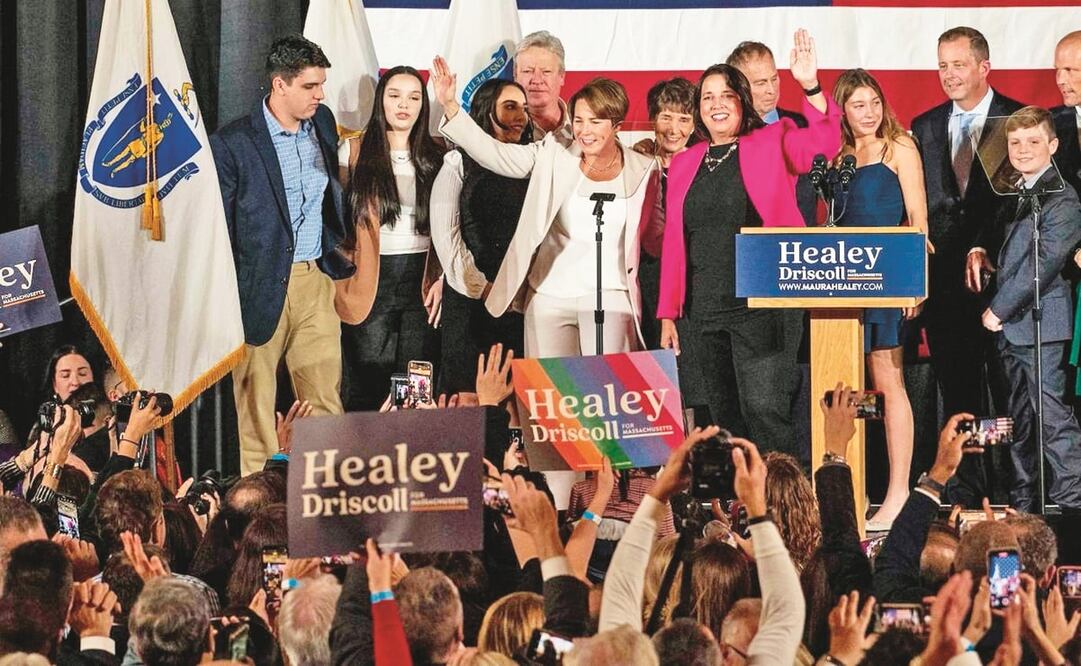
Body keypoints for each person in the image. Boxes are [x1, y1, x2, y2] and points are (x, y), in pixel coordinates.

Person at [657, 30, 841, 458]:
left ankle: (785, 506)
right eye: (707, 97)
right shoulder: (685, 161)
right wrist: (669, 313)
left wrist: (810, 85)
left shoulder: (772, 141)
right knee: (726, 419)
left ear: (743, 102)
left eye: (727, 96)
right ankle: (745, 511)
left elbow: (825, 144)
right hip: (706, 309)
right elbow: (674, 240)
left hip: (762, 303)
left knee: (764, 411)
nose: (717, 104)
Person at [431, 61, 663, 357]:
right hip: (549, 296)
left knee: (606, 396)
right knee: (552, 397)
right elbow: (497, 155)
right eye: (578, 120)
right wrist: (451, 106)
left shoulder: (644, 170)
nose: (584, 131)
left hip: (612, 299)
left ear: (616, 125)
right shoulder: (555, 150)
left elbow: (656, 238)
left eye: (595, 122)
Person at [210, 34, 353, 475]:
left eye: (321, 84)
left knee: (325, 403)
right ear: (280, 85)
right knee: (256, 412)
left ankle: (328, 504)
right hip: (257, 288)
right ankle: (258, 517)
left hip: (315, 281)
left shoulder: (323, 123)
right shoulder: (234, 142)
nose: (321, 95)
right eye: (311, 86)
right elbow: (222, 228)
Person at [910, 26, 1023, 507]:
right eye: (942, 65)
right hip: (943, 285)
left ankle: (1016, 488)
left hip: (1003, 280)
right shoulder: (925, 124)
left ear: (984, 67)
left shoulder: (1015, 118)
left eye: (958, 64)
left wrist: (985, 247)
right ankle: (966, 487)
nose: (949, 74)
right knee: (956, 389)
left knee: (1009, 391)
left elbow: (1015, 205)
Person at [832, 68, 930, 529]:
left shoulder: (901, 146)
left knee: (889, 384)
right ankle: (852, 489)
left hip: (887, 277)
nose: (869, 112)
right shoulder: (840, 157)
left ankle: (897, 493)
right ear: (844, 111)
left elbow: (918, 220)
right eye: (858, 105)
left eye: (874, 102)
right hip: (841, 284)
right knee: (850, 391)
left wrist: (915, 281)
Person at [982, 106, 1081, 512]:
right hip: (1015, 329)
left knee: (1053, 420)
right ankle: (1024, 505)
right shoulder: (1016, 192)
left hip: (1041, 324)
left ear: (1053, 146)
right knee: (1021, 423)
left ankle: (1072, 504)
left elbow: (1044, 261)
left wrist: (998, 310)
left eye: (1033, 142)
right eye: (1015, 142)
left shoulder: (1062, 197)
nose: (1023, 150)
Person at [338, 65, 445, 411]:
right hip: (371, 277)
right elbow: (336, 221)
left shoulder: (439, 154)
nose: (404, 105)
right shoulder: (353, 151)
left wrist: (443, 276)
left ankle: (414, 457)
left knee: (417, 381)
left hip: (423, 279)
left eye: (414, 97)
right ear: (381, 100)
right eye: (395, 96)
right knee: (370, 380)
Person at [431, 78, 531, 395]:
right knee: (467, 400)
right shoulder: (458, 162)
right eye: (510, 106)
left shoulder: (533, 163)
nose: (521, 116)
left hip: (519, 303)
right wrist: (482, 287)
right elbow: (447, 237)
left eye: (525, 109)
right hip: (471, 301)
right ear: (488, 110)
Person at [632, 78, 698, 350]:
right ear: (652, 119)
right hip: (646, 280)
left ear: (695, 124)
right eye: (666, 117)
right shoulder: (635, 164)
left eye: (684, 119)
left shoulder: (704, 167)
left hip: (690, 280)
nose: (674, 129)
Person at [726, 41, 817, 226]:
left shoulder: (803, 127)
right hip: (743, 248)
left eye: (774, 79)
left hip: (799, 248)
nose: (771, 89)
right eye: (760, 83)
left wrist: (811, 84)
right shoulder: (722, 136)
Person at [515, 31, 573, 145]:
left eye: (546, 71)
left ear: (561, 76)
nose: (536, 80)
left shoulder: (584, 128)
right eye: (527, 71)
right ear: (515, 76)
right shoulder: (501, 131)